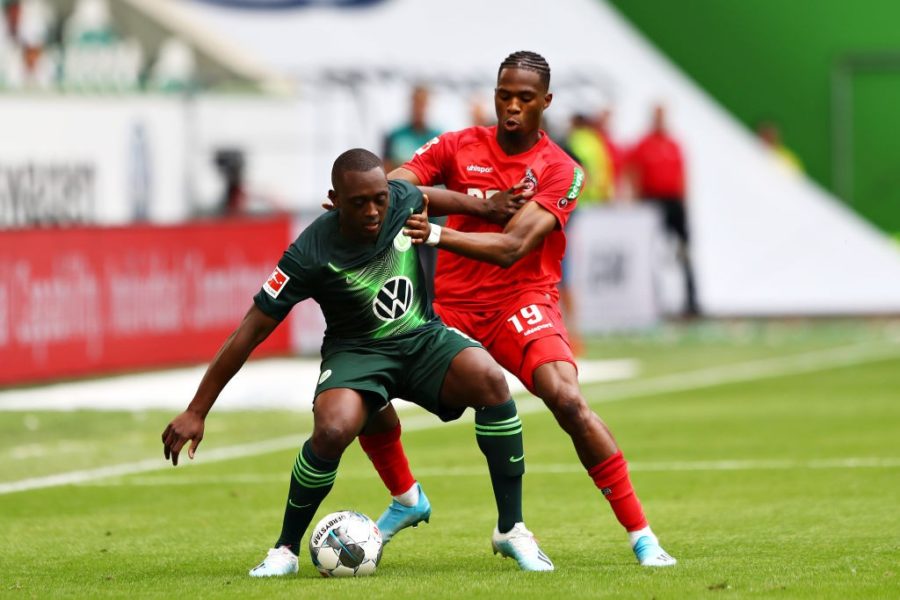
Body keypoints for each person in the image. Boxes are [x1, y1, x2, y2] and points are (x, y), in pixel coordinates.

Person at [160, 148, 554, 577]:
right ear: (334, 199)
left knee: (490, 382)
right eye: (358, 203)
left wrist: (487, 207)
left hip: (421, 337)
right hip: (357, 353)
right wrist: (197, 409)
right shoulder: (310, 250)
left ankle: (511, 529)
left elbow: (424, 194)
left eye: (379, 199)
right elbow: (250, 330)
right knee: (331, 429)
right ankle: (285, 550)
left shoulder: (398, 198)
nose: (372, 211)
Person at [359, 51, 677, 567]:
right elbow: (398, 182)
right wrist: (371, 193)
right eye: (504, 95)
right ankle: (406, 497)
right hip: (452, 307)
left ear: (545, 102)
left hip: (520, 300)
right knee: (363, 383)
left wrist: (435, 227)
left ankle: (641, 534)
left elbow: (513, 246)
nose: (511, 107)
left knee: (568, 401)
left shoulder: (561, 170)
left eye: (524, 99)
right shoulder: (459, 145)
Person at [627, 103, 699, 317]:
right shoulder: (643, 145)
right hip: (653, 202)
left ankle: (691, 302)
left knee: (684, 252)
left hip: (674, 202)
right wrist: (636, 200)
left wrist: (685, 202)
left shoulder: (673, 144)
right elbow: (633, 173)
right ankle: (653, 301)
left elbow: (683, 174)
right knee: (652, 253)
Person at [382, 84, 442, 173]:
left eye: (423, 104)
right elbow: (386, 166)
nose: (419, 109)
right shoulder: (395, 135)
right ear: (411, 104)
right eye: (416, 103)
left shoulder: (438, 138)